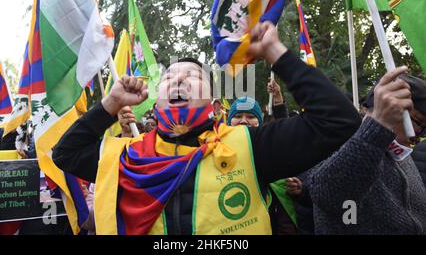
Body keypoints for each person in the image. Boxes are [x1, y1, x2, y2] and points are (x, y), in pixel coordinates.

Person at [52, 21, 361, 235]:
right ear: (157, 101)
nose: (179, 79)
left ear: (214, 106)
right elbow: (65, 154)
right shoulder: (126, 158)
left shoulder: (250, 146)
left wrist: (276, 54)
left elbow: (338, 121)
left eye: (193, 76)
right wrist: (110, 104)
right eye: (170, 77)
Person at [310, 68, 426, 234]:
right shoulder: (340, 141)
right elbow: (328, 194)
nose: (419, 135)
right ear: (391, 106)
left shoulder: (402, 155)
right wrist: (379, 126)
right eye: (419, 123)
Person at [227, 96, 298, 234]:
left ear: (259, 122)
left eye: (250, 116)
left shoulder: (271, 151)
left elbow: (284, 134)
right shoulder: (215, 153)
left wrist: (300, 190)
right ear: (229, 121)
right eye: (238, 116)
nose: (243, 121)